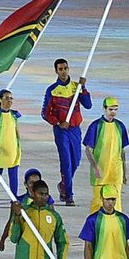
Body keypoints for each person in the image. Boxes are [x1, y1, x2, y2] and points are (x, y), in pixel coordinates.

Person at [44, 59, 93, 205]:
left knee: (76, 161)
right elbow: (45, 113)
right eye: (60, 69)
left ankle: (63, 185)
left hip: (75, 130)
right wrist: (58, 122)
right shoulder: (51, 90)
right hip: (61, 131)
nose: (64, 71)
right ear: (56, 71)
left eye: (65, 68)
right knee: (66, 162)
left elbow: (88, 105)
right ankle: (69, 196)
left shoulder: (76, 87)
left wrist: (83, 88)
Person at [6, 177, 69, 259]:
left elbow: (62, 242)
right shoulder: (23, 212)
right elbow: (13, 238)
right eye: (40, 194)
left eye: (46, 194)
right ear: (33, 193)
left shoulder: (54, 216)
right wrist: (17, 217)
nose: (44, 197)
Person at [86, 99, 126, 213]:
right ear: (104, 109)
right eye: (110, 109)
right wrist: (95, 167)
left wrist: (124, 172)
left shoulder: (120, 126)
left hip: (115, 171)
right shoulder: (96, 126)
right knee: (98, 203)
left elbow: (122, 152)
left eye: (115, 110)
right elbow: (88, 150)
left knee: (116, 202)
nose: (113, 112)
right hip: (101, 172)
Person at [0, 91, 25, 203]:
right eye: (6, 98)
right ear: (0, 99)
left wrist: (18, 145)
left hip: (12, 147)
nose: (9, 101)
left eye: (11, 98)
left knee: (13, 173)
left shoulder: (14, 114)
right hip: (0, 147)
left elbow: (16, 131)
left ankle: (13, 196)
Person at [79, 190, 127, 259]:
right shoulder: (93, 220)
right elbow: (88, 246)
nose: (110, 202)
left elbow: (126, 245)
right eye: (107, 199)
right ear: (102, 198)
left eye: (113, 199)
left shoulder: (123, 219)